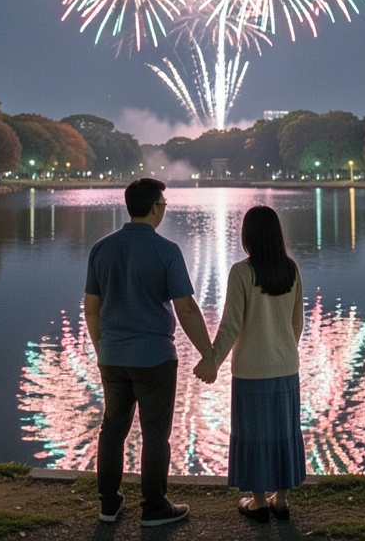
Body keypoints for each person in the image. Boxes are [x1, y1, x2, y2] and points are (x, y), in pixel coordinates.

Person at [85, 178, 213, 528]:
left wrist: (102, 349)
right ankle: (154, 507)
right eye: (164, 205)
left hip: (112, 356)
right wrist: (208, 354)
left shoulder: (101, 249)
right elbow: (186, 309)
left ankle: (108, 504)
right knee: (155, 434)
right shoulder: (166, 250)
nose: (164, 210)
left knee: (112, 429)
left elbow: (92, 308)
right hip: (154, 357)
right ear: (156, 208)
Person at [196, 206, 306, 524]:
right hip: (286, 367)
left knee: (255, 435)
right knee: (284, 432)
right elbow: (297, 322)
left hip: (251, 370)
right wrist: (284, 350)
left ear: (248, 236)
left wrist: (212, 361)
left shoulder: (242, 273)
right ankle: (281, 501)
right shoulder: (291, 270)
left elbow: (231, 325)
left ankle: (258, 504)